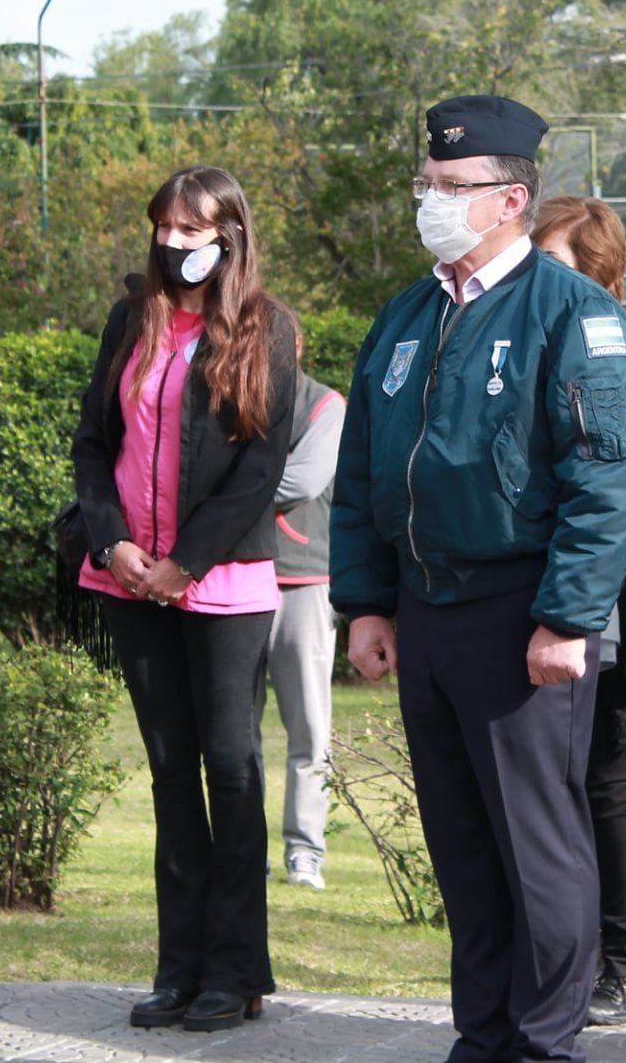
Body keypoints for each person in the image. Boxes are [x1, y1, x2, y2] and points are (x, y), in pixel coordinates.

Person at [333, 96, 626, 1063]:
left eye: (450, 187)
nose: (429, 199)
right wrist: (368, 602)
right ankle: (485, 1035)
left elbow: (609, 479)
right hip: (427, 610)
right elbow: (362, 474)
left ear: (511, 198)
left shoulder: (573, 315)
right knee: (463, 846)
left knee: (537, 844)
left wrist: (566, 615)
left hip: (524, 613)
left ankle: (546, 1040)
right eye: (425, 182)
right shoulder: (407, 315)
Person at [72, 165, 298, 1032]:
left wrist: (185, 563)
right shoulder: (132, 319)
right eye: (163, 227)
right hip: (128, 578)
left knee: (232, 770)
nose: (173, 244)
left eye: (191, 230)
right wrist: (116, 543)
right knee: (172, 774)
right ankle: (180, 967)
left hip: (224, 587)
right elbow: (94, 443)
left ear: (228, 237)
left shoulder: (269, 327)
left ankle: (237, 970)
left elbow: (259, 469)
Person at [532, 195, 626, 1030]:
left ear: (598, 273)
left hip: (616, 600)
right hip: (535, 601)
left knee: (611, 780)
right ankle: (568, 960)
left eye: (553, 262)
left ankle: (625, 968)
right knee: (554, 787)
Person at [267, 349, 344, 891]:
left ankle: (304, 853)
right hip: (230, 581)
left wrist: (222, 493)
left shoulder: (324, 404)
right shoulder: (230, 397)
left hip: (306, 582)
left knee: (310, 728)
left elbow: (303, 482)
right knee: (234, 732)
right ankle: (244, 853)